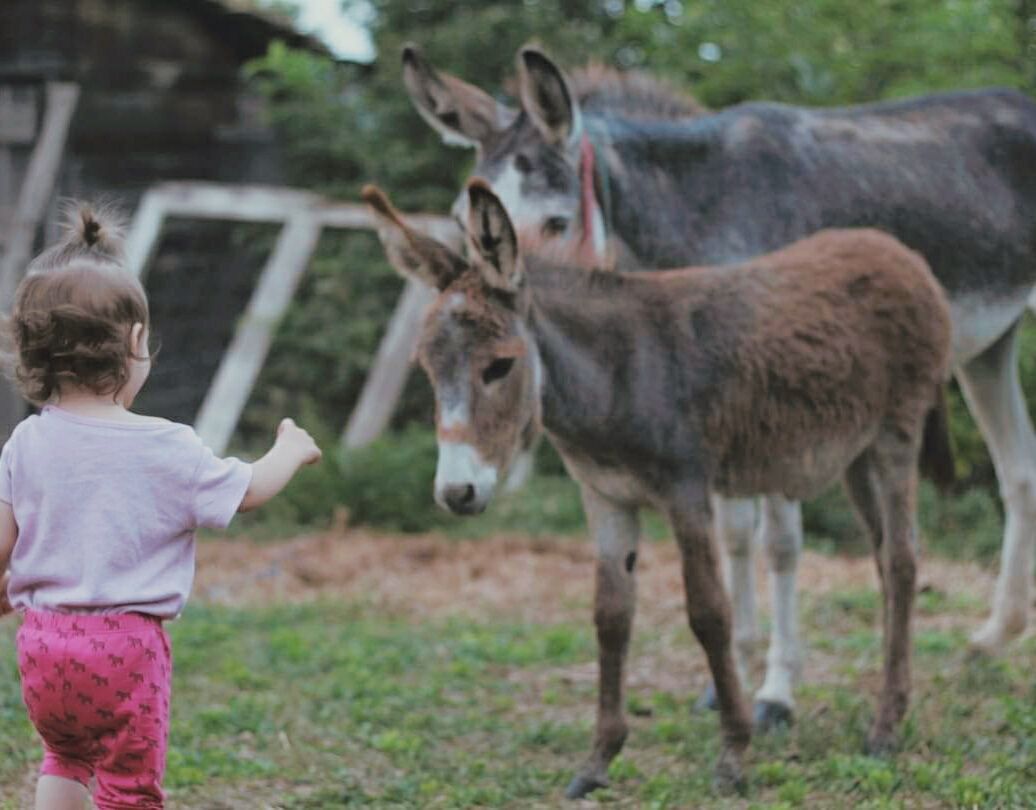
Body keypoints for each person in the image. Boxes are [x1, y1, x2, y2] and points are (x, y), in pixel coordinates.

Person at [0, 204, 322, 809]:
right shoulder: (166, 445)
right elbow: (247, 490)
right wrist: (289, 449)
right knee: (128, 787)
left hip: (42, 646)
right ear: (136, 342)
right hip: (123, 652)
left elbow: (0, 547)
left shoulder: (27, 441)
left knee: (64, 755)